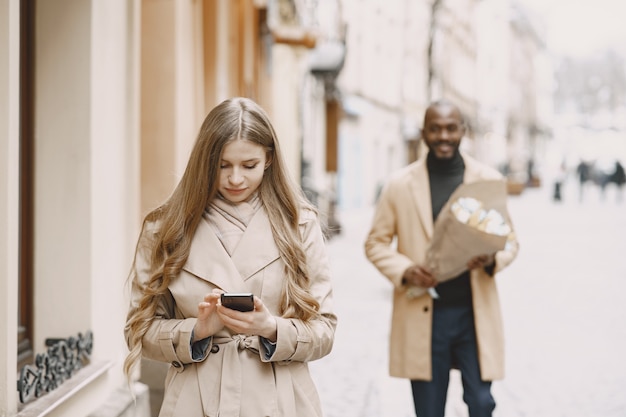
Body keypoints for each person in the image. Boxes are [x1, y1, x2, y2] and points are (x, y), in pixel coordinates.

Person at [123, 97, 337, 417]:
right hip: (195, 402)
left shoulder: (299, 224)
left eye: (248, 166)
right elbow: (139, 331)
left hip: (281, 401)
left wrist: (271, 328)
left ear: (268, 159)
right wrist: (196, 331)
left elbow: (324, 330)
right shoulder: (165, 228)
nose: (235, 179)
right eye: (223, 165)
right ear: (205, 162)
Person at [364, 100, 519, 417]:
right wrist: (406, 270)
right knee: (429, 410)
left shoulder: (486, 180)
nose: (443, 136)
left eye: (451, 128)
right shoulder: (399, 185)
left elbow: (510, 241)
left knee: (481, 403)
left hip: (474, 314)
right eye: (435, 129)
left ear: (463, 130)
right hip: (424, 313)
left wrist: (491, 259)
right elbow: (375, 243)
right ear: (424, 133)